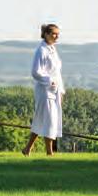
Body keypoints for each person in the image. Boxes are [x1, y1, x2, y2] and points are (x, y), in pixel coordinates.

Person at [23, 23, 64, 156]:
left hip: (54, 90)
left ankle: (27, 148)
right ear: (46, 34)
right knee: (50, 120)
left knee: (41, 120)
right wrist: (49, 81)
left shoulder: (52, 49)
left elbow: (57, 72)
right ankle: (49, 152)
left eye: (58, 34)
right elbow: (35, 72)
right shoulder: (41, 50)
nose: (56, 36)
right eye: (54, 34)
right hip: (44, 90)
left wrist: (61, 90)